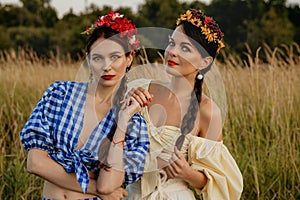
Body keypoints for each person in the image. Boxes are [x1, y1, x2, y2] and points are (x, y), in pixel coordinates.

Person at [20, 11, 149, 200]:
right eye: (98, 58)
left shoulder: (133, 123)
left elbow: (109, 185)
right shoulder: (60, 94)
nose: (107, 66)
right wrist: (94, 188)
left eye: (115, 57)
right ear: (89, 60)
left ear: (129, 59)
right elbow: (35, 163)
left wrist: (121, 122)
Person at [125, 8, 243, 199]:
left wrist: (187, 174)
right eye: (172, 43)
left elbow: (219, 181)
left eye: (185, 48)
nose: (172, 52)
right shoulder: (139, 88)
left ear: (205, 61)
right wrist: (125, 107)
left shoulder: (207, 112)